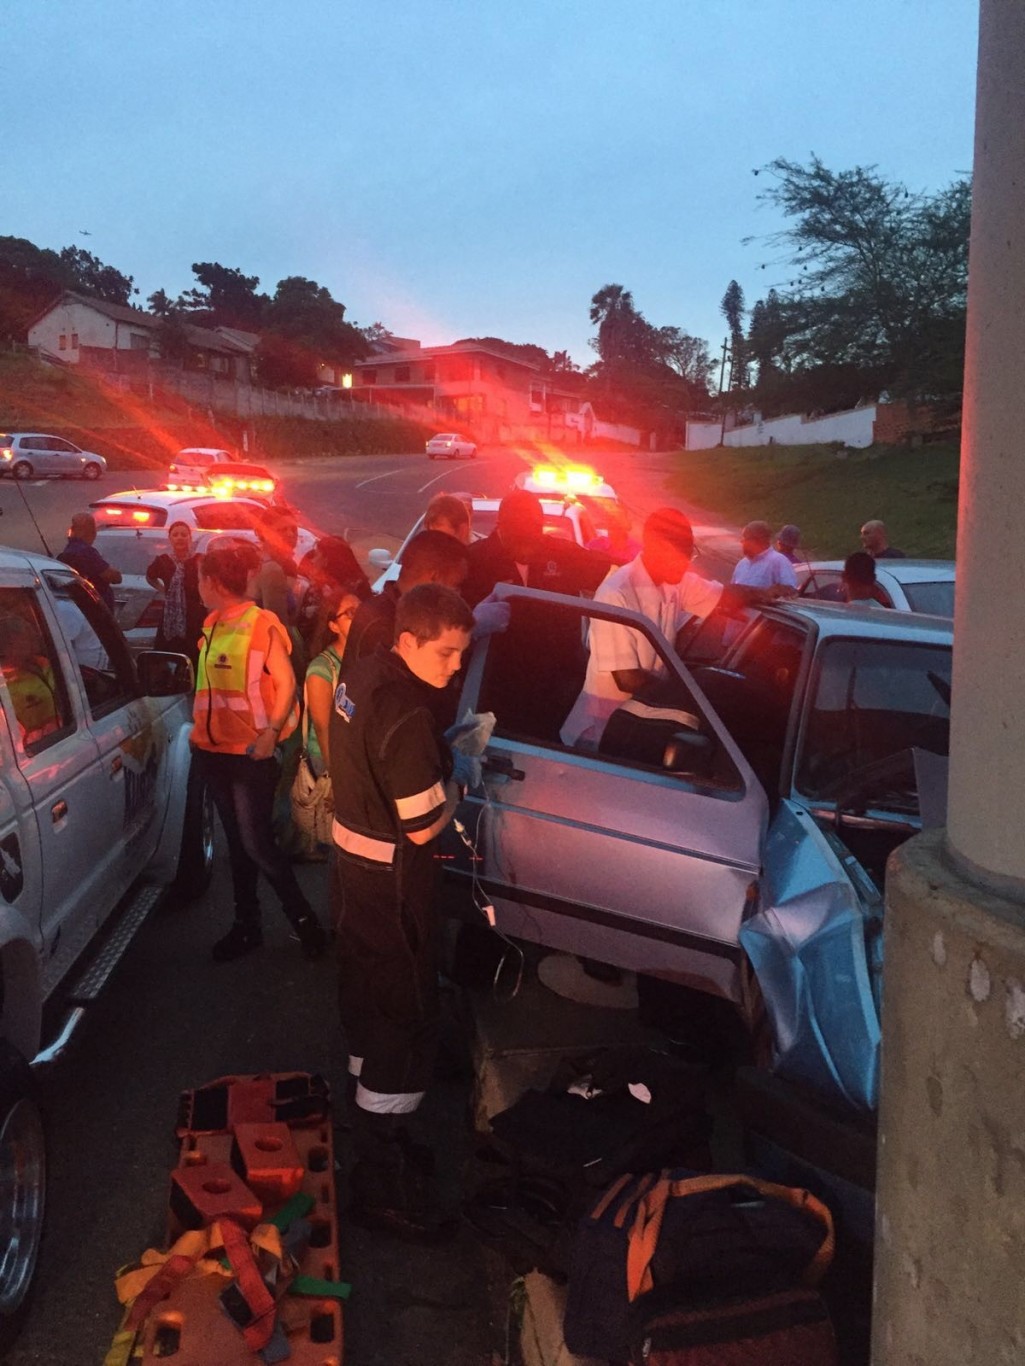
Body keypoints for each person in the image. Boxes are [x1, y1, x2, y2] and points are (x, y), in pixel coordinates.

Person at [329, 582, 474, 1241]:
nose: (454, 670)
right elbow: (421, 826)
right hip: (394, 884)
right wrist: (459, 781)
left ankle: (366, 1118)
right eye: (445, 655)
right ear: (409, 641)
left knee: (366, 994)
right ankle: (382, 1173)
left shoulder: (362, 673)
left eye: (462, 656)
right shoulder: (408, 715)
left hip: (353, 875)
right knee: (405, 1007)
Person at [190, 542, 328, 963]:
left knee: (257, 844)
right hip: (214, 753)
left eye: (200, 578)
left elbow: (286, 682)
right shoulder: (212, 624)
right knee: (239, 843)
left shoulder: (260, 622)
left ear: (212, 582)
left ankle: (307, 925)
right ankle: (246, 927)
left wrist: (270, 733)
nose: (198, 586)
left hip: (252, 755)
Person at [562, 507, 795, 748]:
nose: (685, 566)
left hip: (645, 721)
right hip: (602, 731)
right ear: (655, 548)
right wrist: (693, 700)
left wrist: (765, 593)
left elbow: (725, 596)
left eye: (689, 556)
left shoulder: (676, 581)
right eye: (680, 557)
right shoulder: (617, 592)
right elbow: (627, 678)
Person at [291, 580, 364, 860]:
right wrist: (337, 778)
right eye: (350, 614)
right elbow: (323, 728)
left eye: (361, 611)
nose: (359, 618)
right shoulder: (322, 668)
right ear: (333, 625)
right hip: (329, 759)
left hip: (356, 758)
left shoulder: (365, 658)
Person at [341, 529, 469, 675]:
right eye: (456, 585)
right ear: (435, 578)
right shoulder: (382, 624)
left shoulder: (398, 614)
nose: (459, 595)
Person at [461, 488, 611, 607]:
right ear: (501, 527)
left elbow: (618, 576)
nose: (527, 545)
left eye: (532, 533)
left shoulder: (563, 555)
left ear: (541, 526)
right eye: (519, 536)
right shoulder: (473, 562)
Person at [145, 521, 205, 664]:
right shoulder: (163, 561)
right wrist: (163, 590)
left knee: (194, 655)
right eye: (175, 535)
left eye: (184, 535)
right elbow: (150, 576)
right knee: (168, 655)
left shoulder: (199, 560)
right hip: (170, 617)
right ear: (170, 538)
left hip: (194, 616)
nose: (180, 538)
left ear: (190, 538)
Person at [0, 615, 62, 749]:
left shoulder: (44, 666)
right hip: (28, 753)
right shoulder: (3, 681)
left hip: (58, 741)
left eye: (27, 640)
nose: (29, 645)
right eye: (10, 641)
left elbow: (65, 702)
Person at [57, 512, 122, 612]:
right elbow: (114, 577)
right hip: (95, 612)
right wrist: (116, 574)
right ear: (88, 532)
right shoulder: (86, 552)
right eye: (92, 530)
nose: (94, 534)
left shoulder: (68, 550)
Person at [731, 521, 799, 589]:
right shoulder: (742, 564)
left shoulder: (779, 562)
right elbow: (733, 591)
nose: (742, 542)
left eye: (745, 539)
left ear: (759, 540)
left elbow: (790, 593)